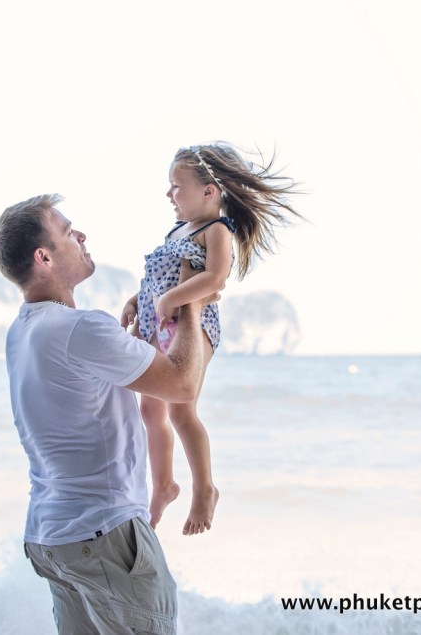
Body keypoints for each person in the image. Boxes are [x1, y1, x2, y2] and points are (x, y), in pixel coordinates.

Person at [0, 193, 212, 635]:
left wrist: (131, 335)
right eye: (68, 231)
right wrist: (192, 303)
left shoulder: (24, 330)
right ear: (44, 256)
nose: (82, 236)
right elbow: (183, 384)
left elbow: (86, 384)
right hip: (104, 534)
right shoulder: (80, 328)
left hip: (52, 538)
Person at [120, 142, 302, 535]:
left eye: (175, 186)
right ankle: (164, 485)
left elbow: (216, 278)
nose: (169, 195)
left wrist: (170, 299)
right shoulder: (175, 230)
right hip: (156, 326)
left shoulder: (216, 229)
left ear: (209, 191)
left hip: (193, 327)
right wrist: (138, 301)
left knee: (182, 410)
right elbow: (159, 277)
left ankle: (205, 488)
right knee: (150, 411)